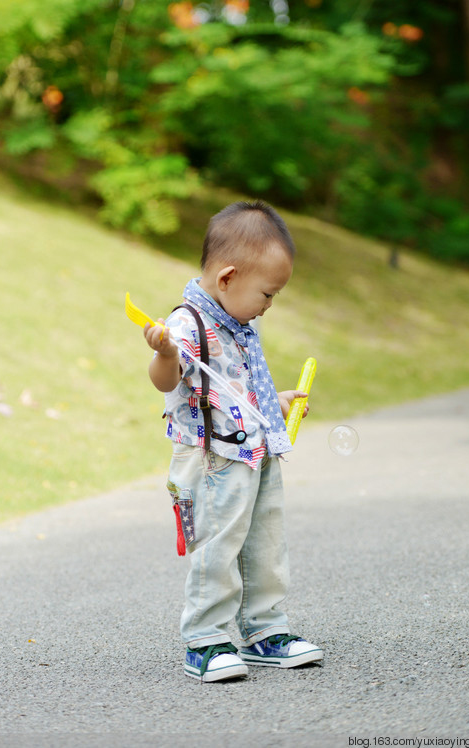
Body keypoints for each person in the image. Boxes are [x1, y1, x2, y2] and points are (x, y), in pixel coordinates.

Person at [144, 200, 323, 682]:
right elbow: (167, 381)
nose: (270, 303)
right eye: (268, 293)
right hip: (212, 459)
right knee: (217, 544)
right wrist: (163, 353)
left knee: (265, 542)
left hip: (254, 451)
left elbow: (236, 383)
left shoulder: (240, 321)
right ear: (227, 278)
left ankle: (265, 629)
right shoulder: (186, 324)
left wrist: (274, 402)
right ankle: (205, 639)